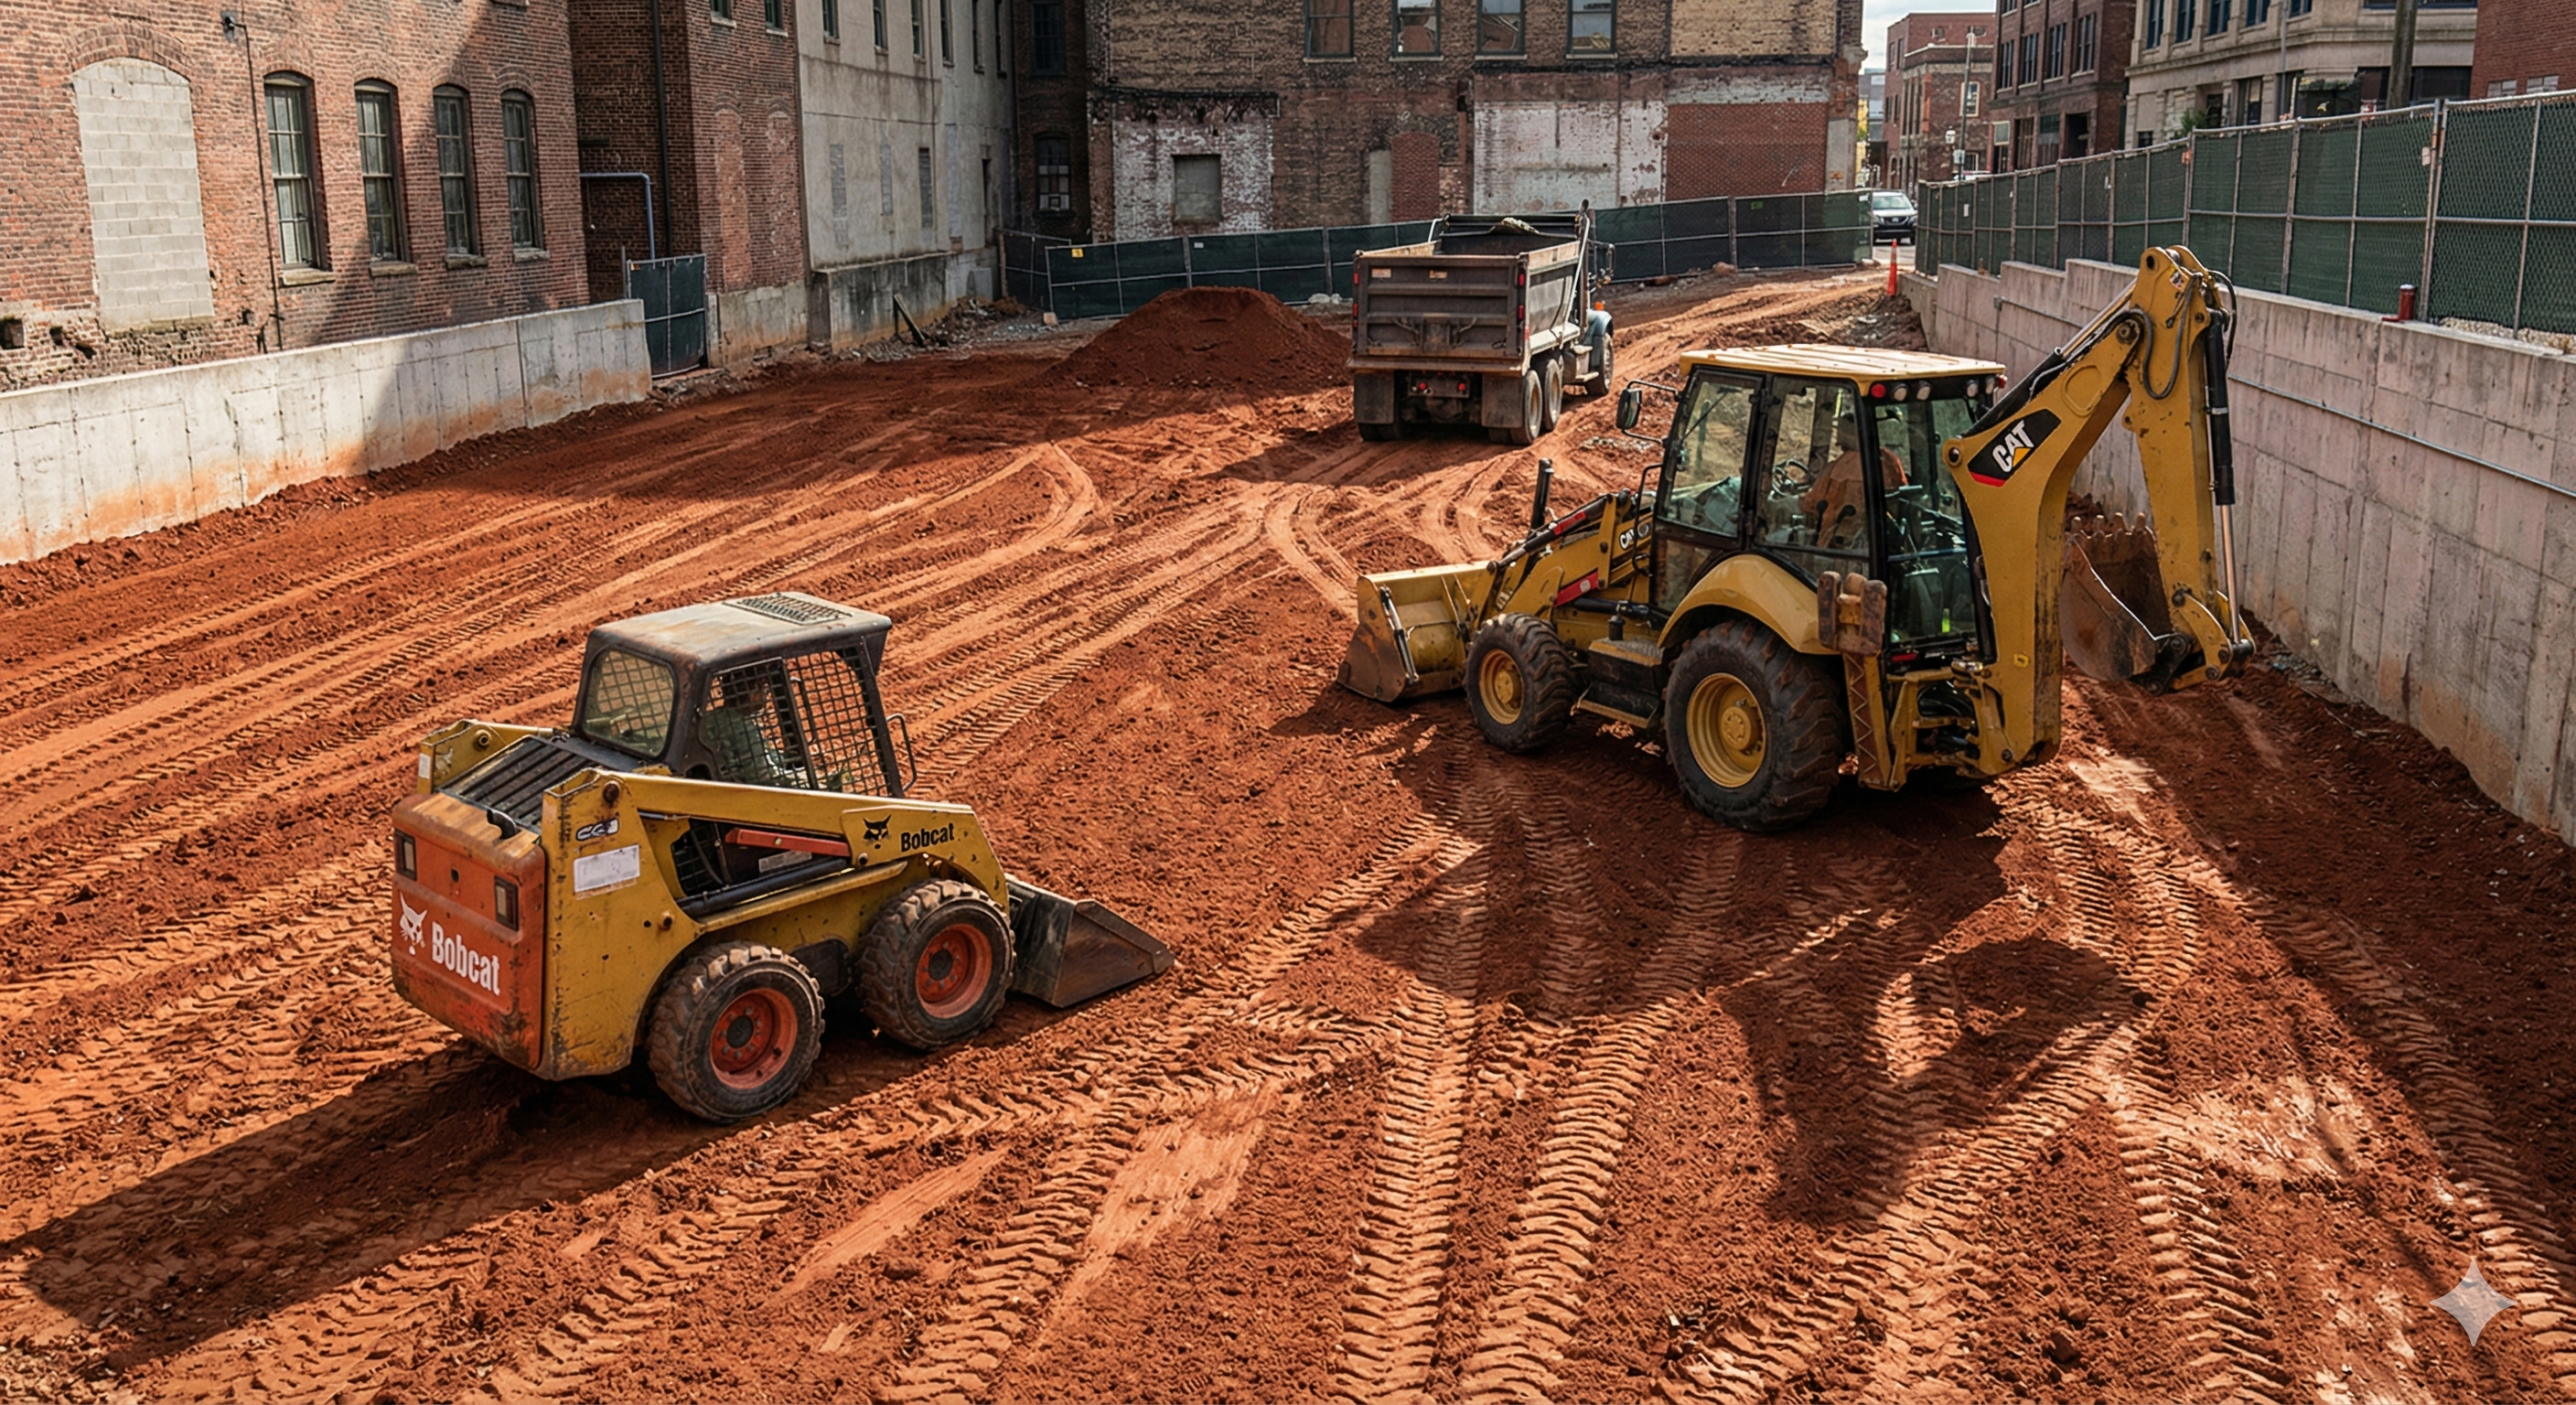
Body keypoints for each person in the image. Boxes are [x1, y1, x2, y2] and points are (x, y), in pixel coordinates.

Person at [1800, 407, 1907, 550]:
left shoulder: (1840, 466)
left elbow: (1813, 505)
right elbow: (1902, 495)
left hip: (1840, 543)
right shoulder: (1890, 461)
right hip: (1885, 538)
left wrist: (1797, 500)